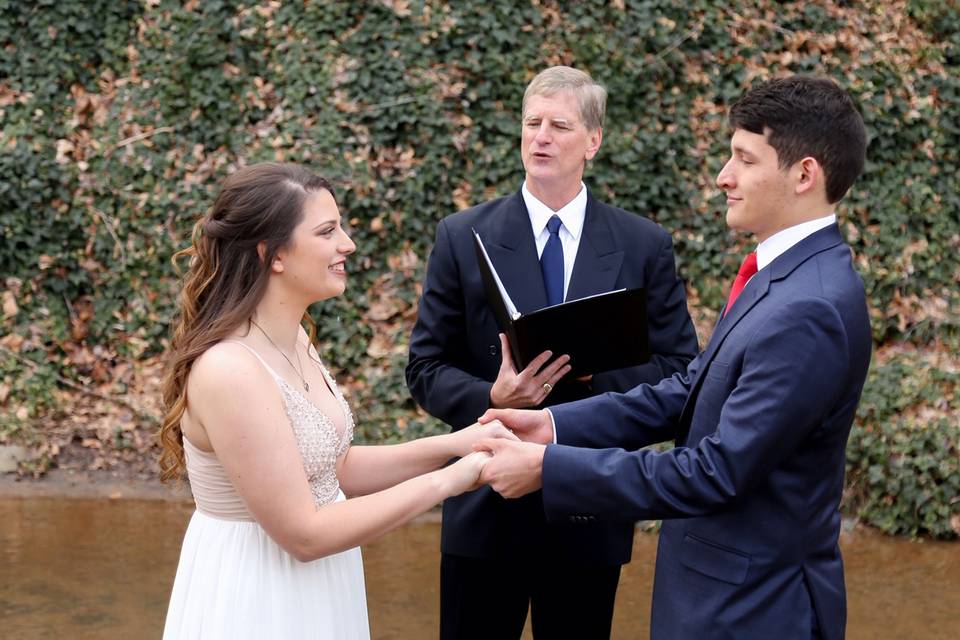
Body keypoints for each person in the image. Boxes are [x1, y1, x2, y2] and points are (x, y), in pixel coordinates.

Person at [475, 75, 872, 640]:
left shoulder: (811, 306)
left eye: (744, 159)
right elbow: (693, 386)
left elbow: (716, 472)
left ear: (804, 174)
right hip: (719, 594)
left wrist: (548, 470)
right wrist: (554, 425)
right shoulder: (784, 277)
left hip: (753, 611)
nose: (723, 177)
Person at [158, 162, 512, 639]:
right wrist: (451, 481)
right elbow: (304, 533)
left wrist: (460, 444)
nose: (347, 243)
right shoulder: (230, 371)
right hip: (258, 593)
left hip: (319, 582)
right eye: (327, 232)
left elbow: (333, 469)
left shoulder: (295, 340)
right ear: (273, 254)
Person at [406, 66, 698, 639]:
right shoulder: (464, 236)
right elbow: (424, 367)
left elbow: (681, 371)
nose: (540, 136)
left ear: (593, 141)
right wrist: (490, 395)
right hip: (484, 500)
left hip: (587, 505)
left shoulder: (642, 244)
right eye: (531, 122)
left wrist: (595, 375)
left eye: (559, 125)